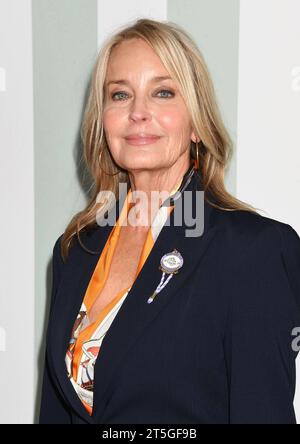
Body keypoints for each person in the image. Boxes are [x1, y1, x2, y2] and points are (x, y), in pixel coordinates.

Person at [39, 18, 300, 424]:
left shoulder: (253, 251)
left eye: (162, 92)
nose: (138, 113)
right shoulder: (74, 250)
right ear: (103, 119)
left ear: (196, 122)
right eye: (120, 94)